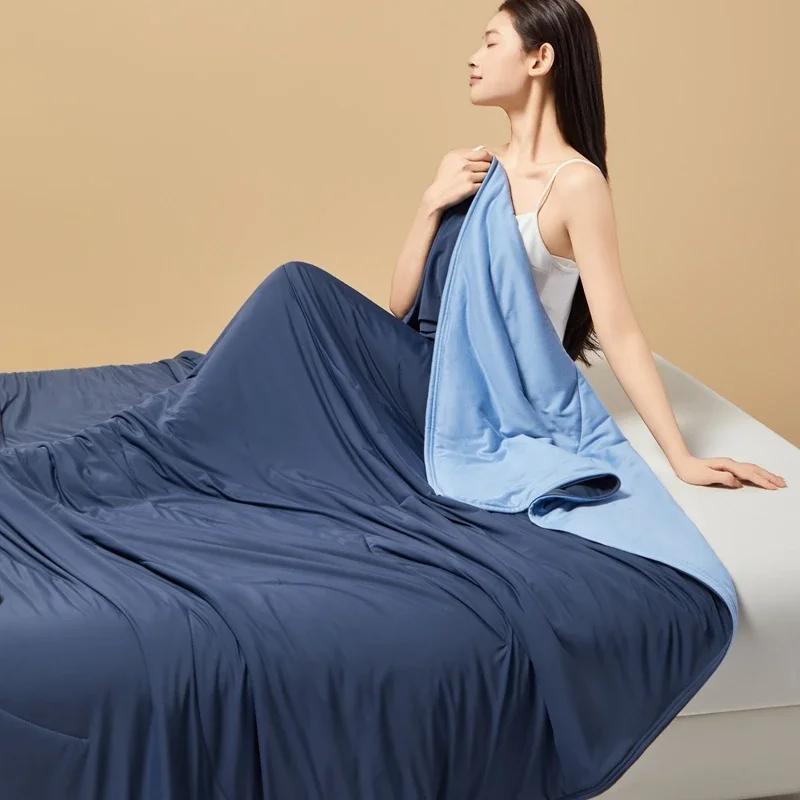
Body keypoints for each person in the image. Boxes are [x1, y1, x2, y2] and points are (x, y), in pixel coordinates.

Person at [389, 1, 786, 492]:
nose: (474, 57)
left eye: (491, 43)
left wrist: (682, 457)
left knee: (302, 298)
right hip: (428, 371)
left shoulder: (575, 184)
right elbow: (401, 306)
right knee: (303, 292)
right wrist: (431, 203)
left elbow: (618, 330)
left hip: (494, 401)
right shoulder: (466, 166)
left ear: (540, 59)